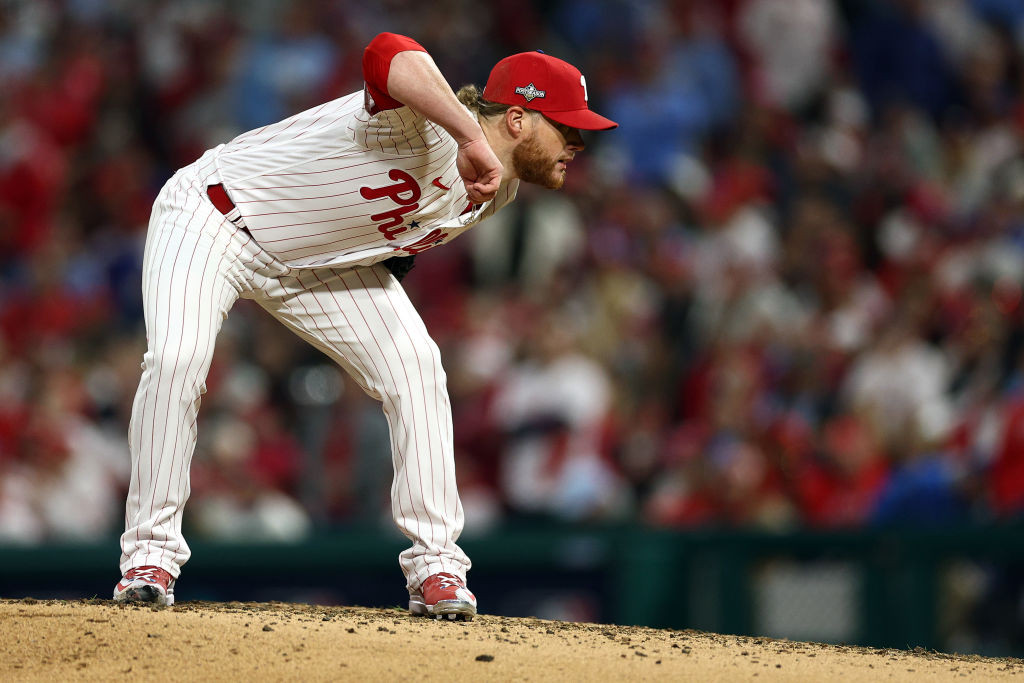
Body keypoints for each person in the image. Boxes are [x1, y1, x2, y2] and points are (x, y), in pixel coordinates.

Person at [111, 32, 617, 621]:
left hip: (317, 265)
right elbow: (387, 50)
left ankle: (438, 566)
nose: (579, 144)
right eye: (568, 128)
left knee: (418, 369)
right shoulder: (423, 124)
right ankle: (149, 556)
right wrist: (467, 132)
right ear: (518, 120)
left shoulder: (497, 188)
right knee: (177, 360)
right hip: (214, 217)